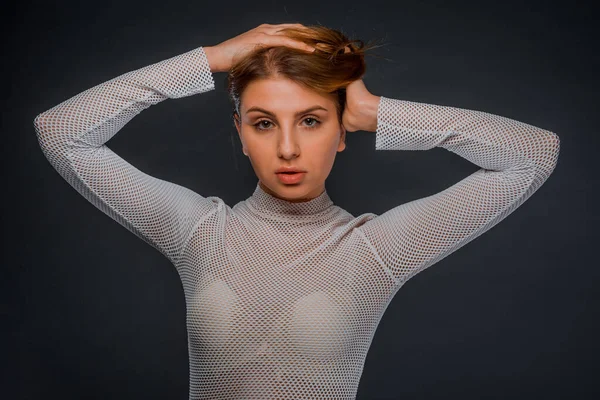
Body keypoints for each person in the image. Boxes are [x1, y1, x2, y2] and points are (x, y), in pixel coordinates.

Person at [33, 22, 560, 399]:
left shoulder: (375, 251)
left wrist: (378, 112)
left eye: (311, 121)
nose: (288, 148)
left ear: (342, 133)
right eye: (264, 123)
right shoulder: (200, 233)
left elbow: (532, 155)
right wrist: (210, 59)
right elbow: (63, 133)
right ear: (240, 135)